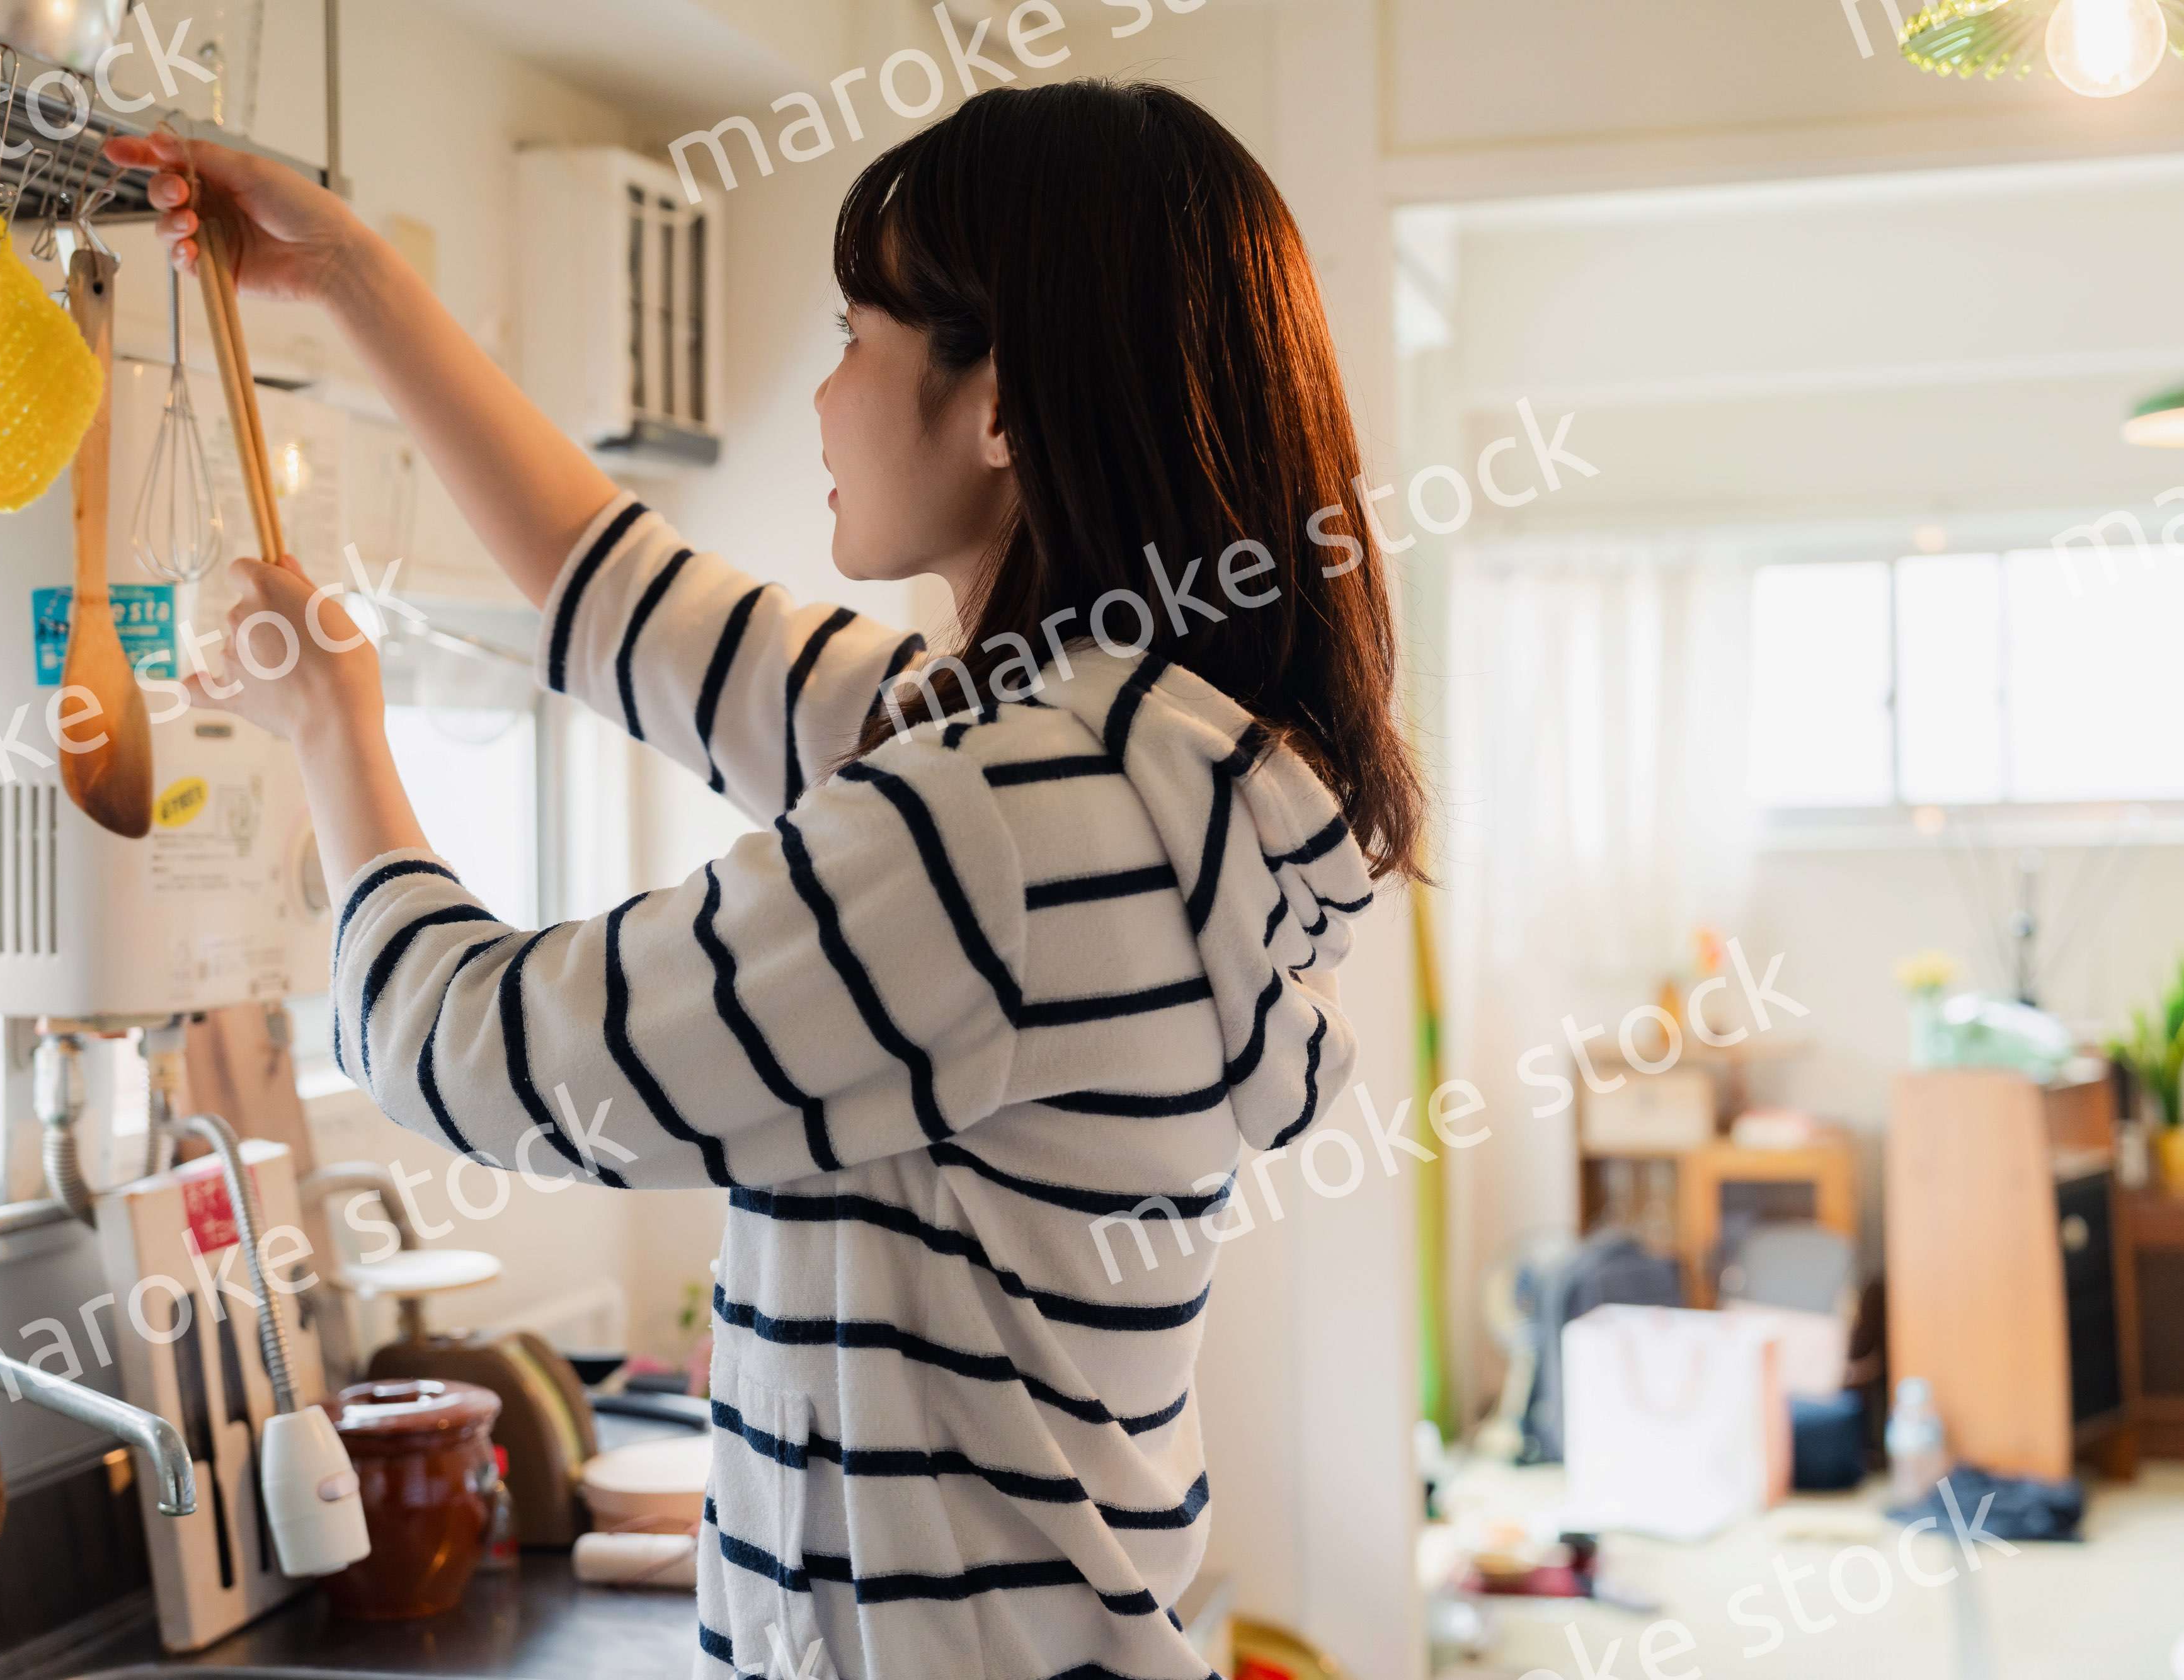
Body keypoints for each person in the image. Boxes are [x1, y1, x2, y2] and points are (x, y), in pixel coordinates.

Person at [106, 77, 1422, 1680]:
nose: (822, 397)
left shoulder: (998, 822)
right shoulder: (1119, 765)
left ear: (996, 401)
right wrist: (353, 278)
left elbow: (481, 1054)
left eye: (856, 335)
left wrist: (332, 727)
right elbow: (628, 600)